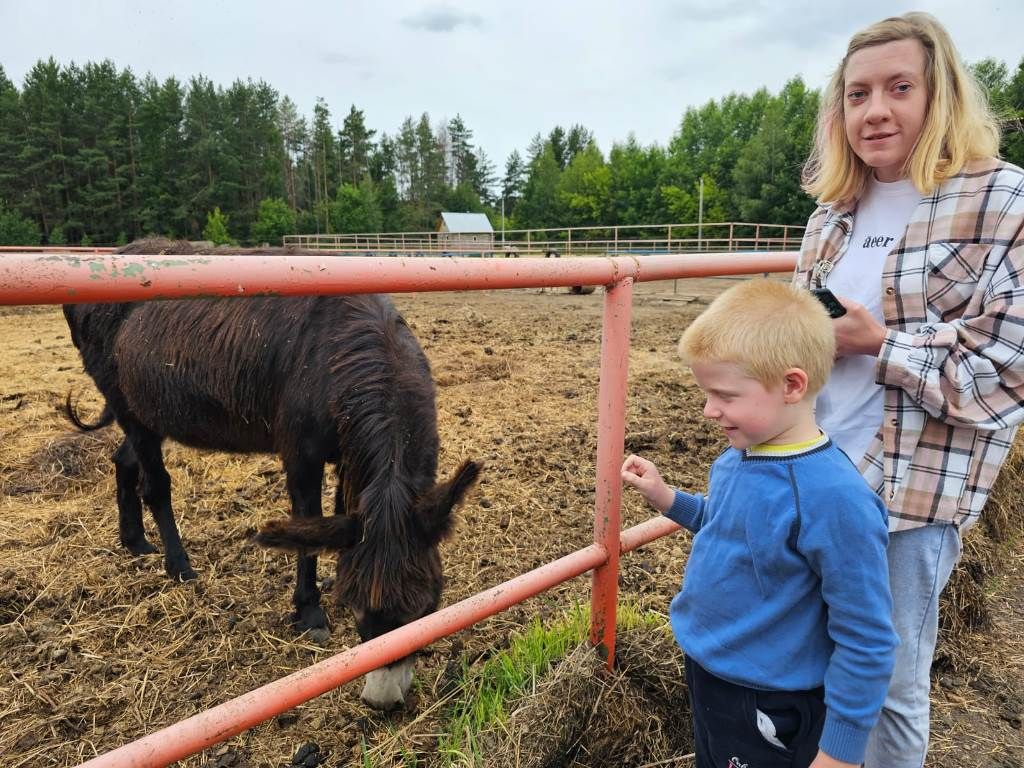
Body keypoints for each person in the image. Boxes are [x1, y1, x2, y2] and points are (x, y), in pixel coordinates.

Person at [796, 12, 1024, 767]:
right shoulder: (833, 214)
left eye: (899, 88)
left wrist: (880, 346)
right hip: (817, 476)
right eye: (857, 94)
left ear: (942, 96)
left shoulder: (1003, 205)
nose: (876, 110)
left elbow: (1007, 370)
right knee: (812, 658)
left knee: (889, 681)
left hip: (910, 499)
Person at [621, 278, 898, 768]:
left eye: (724, 394)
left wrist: (840, 752)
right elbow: (725, 525)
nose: (709, 410)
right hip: (712, 672)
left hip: (771, 699)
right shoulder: (740, 458)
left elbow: (867, 636)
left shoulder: (835, 500)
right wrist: (667, 498)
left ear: (792, 385)